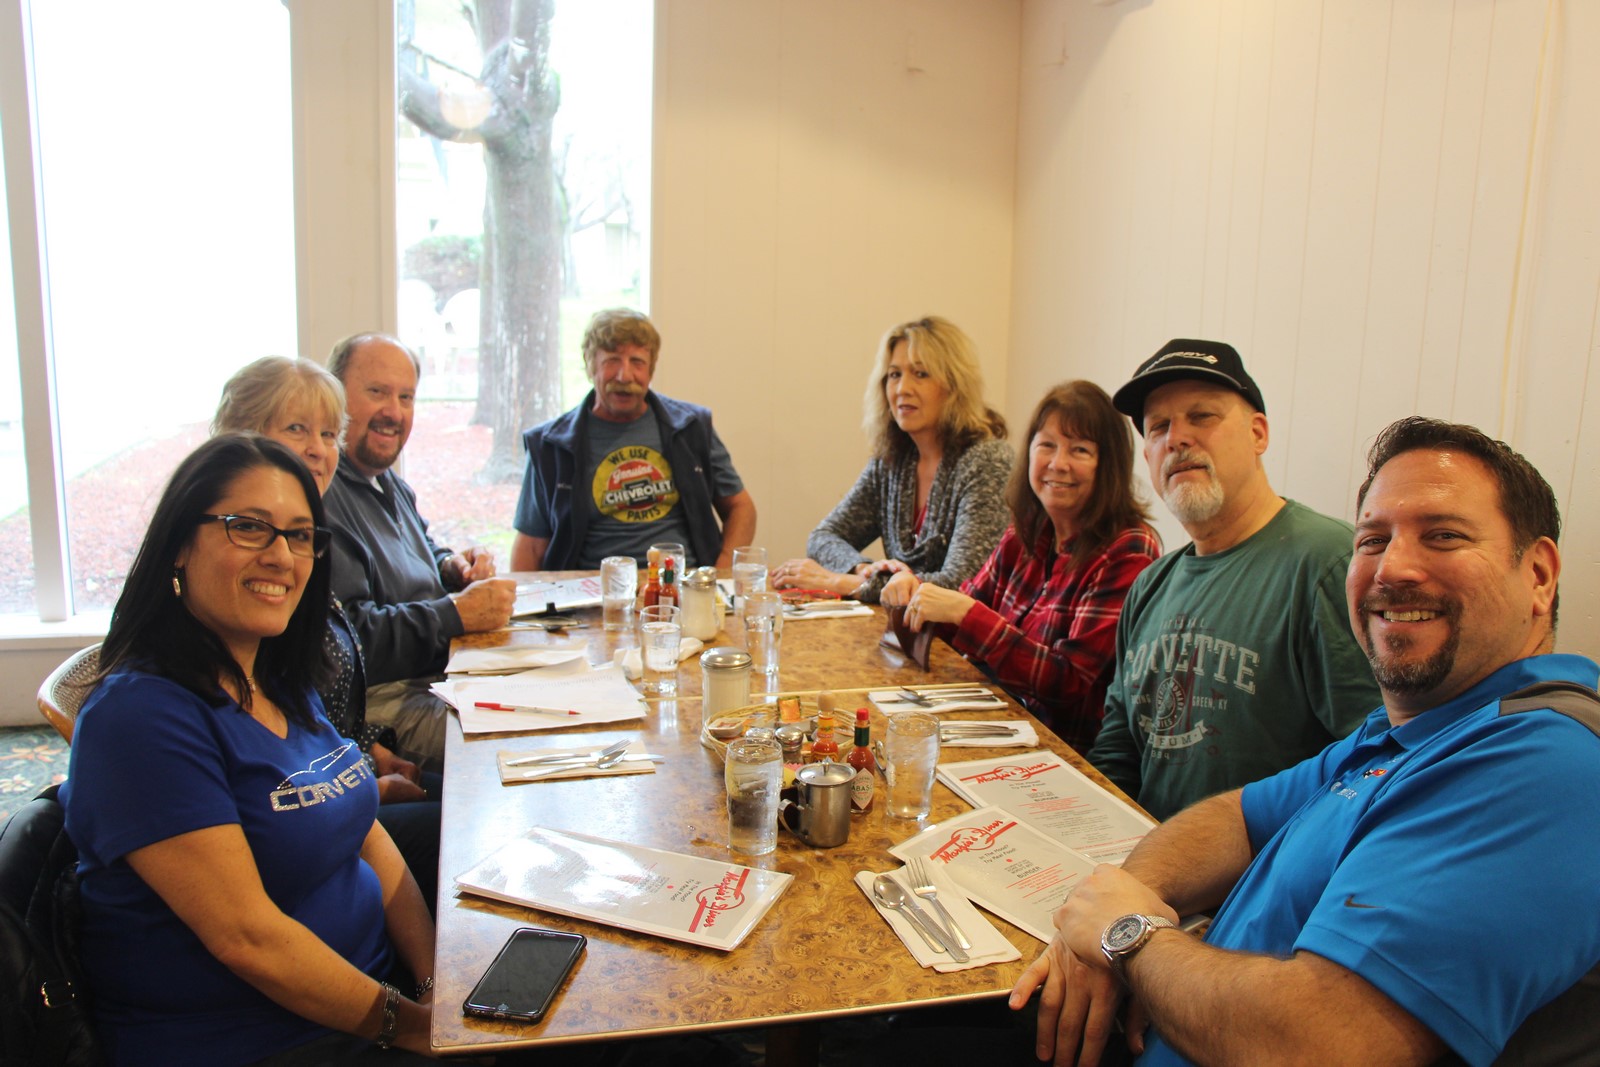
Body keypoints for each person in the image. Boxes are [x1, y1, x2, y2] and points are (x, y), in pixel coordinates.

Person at [1010, 415, 1597, 1067]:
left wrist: (1129, 937)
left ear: (1539, 574)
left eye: (1443, 536)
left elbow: (1312, 1041)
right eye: (1372, 539)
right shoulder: (1404, 729)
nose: (1392, 567)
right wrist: (1121, 898)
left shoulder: (1545, 763)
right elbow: (1236, 817)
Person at [61, 434, 435, 1065]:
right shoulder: (140, 718)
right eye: (249, 528)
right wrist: (417, 1028)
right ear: (180, 544)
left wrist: (434, 979)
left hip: (370, 1004)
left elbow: (364, 830)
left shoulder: (275, 677)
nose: (282, 557)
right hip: (266, 1041)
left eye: (298, 534)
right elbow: (248, 939)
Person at [1086, 339, 1379, 820]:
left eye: (1202, 416)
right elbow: (1119, 751)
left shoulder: (1329, 564)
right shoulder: (1150, 586)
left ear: (1258, 433)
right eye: (1158, 427)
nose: (1177, 438)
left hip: (1265, 881)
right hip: (1146, 871)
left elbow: (1375, 760)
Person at [213, 355, 441, 909]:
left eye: (327, 433)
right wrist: (364, 780)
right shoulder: (236, 584)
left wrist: (368, 756)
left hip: (335, 783)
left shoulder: (301, 547)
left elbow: (311, 711)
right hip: (295, 819)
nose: (318, 448)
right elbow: (263, 758)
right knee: (470, 827)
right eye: (297, 429)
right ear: (240, 436)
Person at [892, 381, 1161, 753]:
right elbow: (957, 620)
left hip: (1062, 753)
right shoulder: (1024, 534)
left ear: (1108, 466)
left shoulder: (1129, 548)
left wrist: (965, 613)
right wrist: (913, 596)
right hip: (997, 726)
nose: (1058, 463)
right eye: (1047, 445)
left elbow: (1066, 682)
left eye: (1079, 450)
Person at [323, 332, 516, 768]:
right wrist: (456, 614)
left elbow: (421, 548)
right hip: (382, 703)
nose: (394, 412)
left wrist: (452, 566)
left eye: (406, 397)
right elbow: (351, 640)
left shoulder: (387, 480)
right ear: (336, 396)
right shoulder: (324, 494)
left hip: (440, 678)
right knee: (513, 745)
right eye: (377, 393)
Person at [771, 316, 1011, 604]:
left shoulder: (988, 461)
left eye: (920, 374)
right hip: (904, 633)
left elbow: (961, 583)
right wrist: (861, 569)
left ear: (954, 385)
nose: (902, 389)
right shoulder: (892, 460)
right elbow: (823, 536)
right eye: (894, 375)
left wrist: (843, 582)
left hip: (960, 644)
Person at [510, 308, 757, 571]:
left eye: (637, 362)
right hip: (590, 595)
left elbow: (741, 507)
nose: (624, 376)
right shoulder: (551, 445)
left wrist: (719, 574)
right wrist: (523, 606)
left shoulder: (691, 427)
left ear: (650, 370)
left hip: (681, 589)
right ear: (590, 365)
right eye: (612, 361)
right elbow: (532, 544)